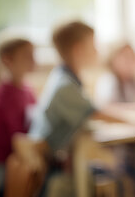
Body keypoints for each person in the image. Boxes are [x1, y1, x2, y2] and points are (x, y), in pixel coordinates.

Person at [24, 21, 123, 196]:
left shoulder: (66, 78)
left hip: (61, 161)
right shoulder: (65, 86)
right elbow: (97, 113)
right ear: (78, 49)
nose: (97, 51)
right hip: (52, 171)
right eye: (93, 45)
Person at [0, 38, 37, 196]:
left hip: (21, 155)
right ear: (8, 60)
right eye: (27, 55)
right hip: (4, 163)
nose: (33, 60)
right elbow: (17, 138)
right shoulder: (4, 96)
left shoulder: (27, 90)